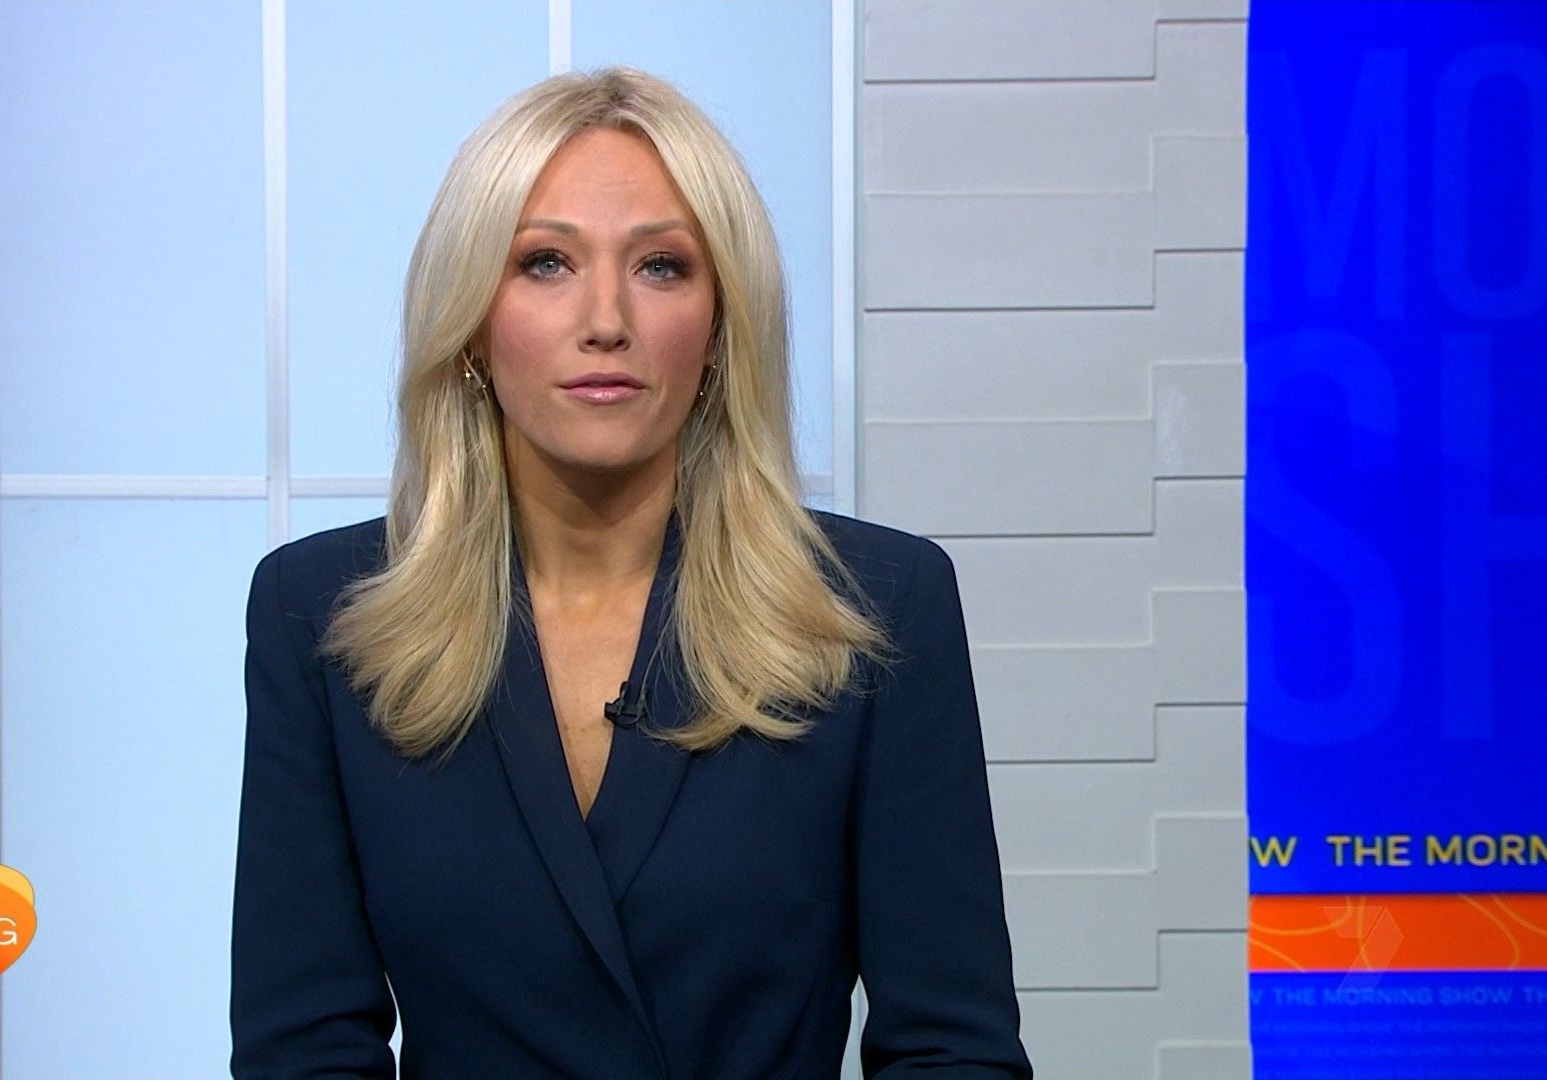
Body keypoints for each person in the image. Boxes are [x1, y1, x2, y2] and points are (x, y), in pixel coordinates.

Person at [230, 65, 1033, 1079]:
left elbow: (952, 1049)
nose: (605, 317)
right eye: (545, 263)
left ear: (721, 324)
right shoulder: (318, 616)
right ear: (471, 322)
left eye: (660, 266)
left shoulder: (878, 606)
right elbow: (302, 1049)